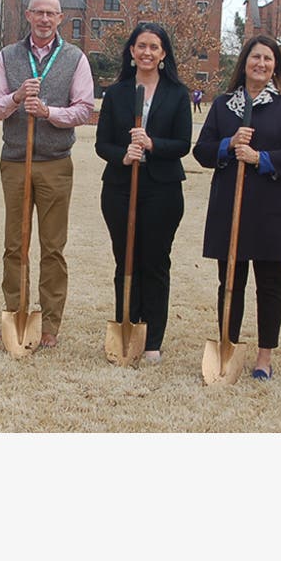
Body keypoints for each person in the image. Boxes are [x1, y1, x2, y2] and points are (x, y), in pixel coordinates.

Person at [192, 35, 281, 379]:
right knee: (230, 280)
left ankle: (264, 357)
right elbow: (202, 152)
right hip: (231, 206)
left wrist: (261, 158)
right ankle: (227, 347)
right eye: (255, 57)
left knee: (270, 284)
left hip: (273, 209)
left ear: (276, 65)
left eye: (269, 59)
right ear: (244, 62)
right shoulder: (223, 105)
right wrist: (228, 145)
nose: (262, 64)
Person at [0, 0, 94, 348]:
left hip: (55, 164)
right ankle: (15, 316)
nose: (45, 19)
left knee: (52, 247)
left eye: (52, 13)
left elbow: (84, 108)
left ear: (60, 18)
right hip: (16, 161)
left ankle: (49, 325)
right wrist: (16, 98)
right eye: (39, 13)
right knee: (15, 245)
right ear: (28, 16)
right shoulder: (8, 56)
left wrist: (49, 113)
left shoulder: (75, 58)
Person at [95, 24, 192, 363]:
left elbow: (183, 143)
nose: (147, 52)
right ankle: (127, 325)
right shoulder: (117, 92)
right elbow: (101, 143)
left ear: (163, 53)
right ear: (132, 51)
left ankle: (152, 338)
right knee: (126, 260)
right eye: (141, 46)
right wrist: (122, 154)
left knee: (155, 262)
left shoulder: (177, 93)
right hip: (120, 188)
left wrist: (153, 144)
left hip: (162, 189)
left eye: (154, 46)